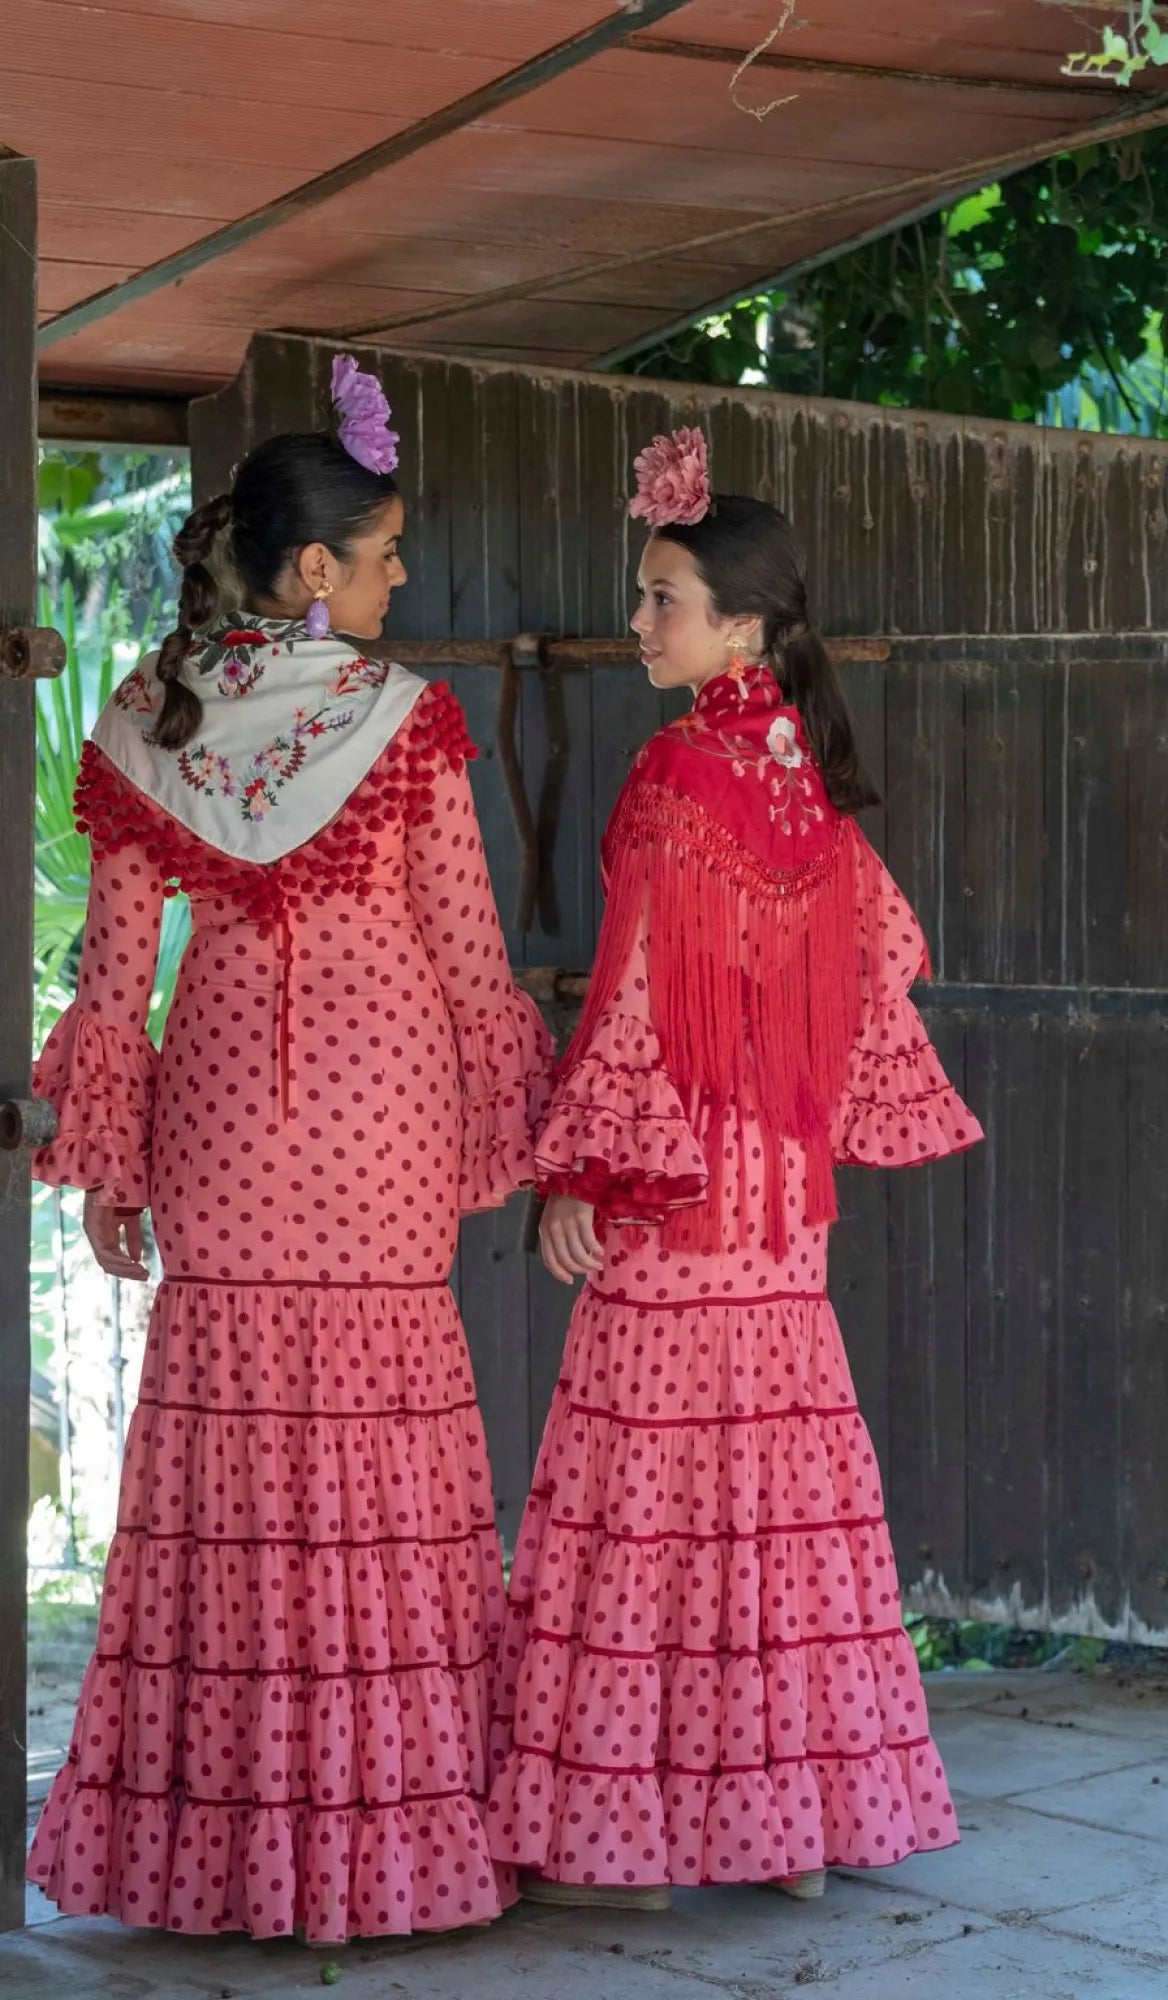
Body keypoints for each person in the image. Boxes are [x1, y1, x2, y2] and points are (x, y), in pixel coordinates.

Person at [26, 356, 551, 1943]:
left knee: (229, 1475)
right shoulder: (400, 719)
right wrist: (518, 1139)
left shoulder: (142, 716)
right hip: (382, 1132)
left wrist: (116, 1164)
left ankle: (222, 1862)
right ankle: (392, 1849)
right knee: (384, 1470)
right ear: (314, 568)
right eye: (384, 552)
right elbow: (471, 965)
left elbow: (114, 983)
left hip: (222, 1146)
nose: (400, 575)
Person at [487, 427, 982, 1909]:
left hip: (678, 1181)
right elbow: (891, 957)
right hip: (781, 1191)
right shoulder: (809, 783)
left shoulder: (673, 773)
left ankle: (625, 1859)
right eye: (641, 595)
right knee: (773, 1490)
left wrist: (580, 1173)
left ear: (743, 625)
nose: (637, 623)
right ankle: (789, 1841)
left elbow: (632, 991)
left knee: (644, 1495)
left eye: (661, 600)